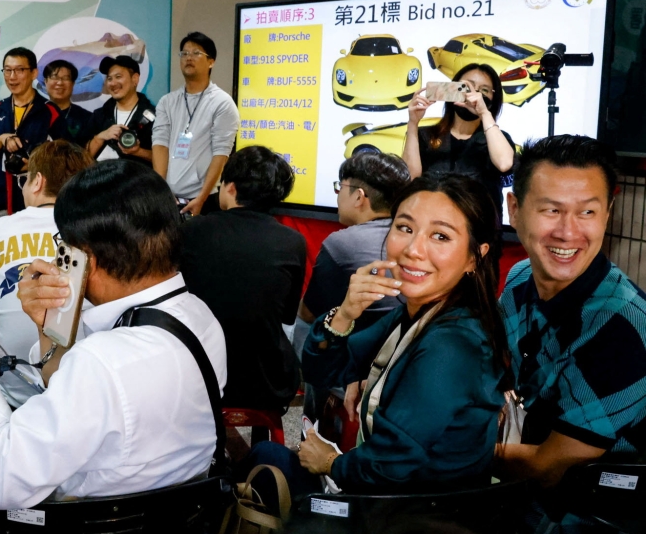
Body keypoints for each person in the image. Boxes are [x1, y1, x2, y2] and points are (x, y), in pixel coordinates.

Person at [0, 160, 227, 509]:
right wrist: (50, 326)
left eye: (63, 244)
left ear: (83, 258)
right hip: (175, 523)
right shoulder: (201, 316)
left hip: (85, 531)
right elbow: (76, 392)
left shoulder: (103, 362)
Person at [251, 174, 508, 495]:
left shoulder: (451, 344)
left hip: (415, 524)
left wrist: (330, 462)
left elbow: (389, 467)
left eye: (440, 236)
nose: (414, 249)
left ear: (475, 256)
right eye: (405, 228)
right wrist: (345, 313)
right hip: (396, 497)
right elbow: (321, 370)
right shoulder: (419, 311)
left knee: (265, 459)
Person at [497, 135, 646, 484]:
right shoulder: (520, 279)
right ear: (514, 210)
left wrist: (443, 447)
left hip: (594, 516)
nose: (568, 232)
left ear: (607, 215)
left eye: (587, 212)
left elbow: (548, 468)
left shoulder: (622, 329)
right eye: (552, 210)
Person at [180, 146, 304, 414]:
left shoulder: (192, 230)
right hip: (267, 383)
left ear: (231, 187)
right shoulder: (293, 242)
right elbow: (287, 317)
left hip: (199, 376)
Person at [0, 139, 94, 406]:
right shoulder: (92, 232)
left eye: (24, 180)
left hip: (12, 387)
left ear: (38, 181)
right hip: (80, 386)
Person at [295, 153, 411, 419]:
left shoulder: (342, 244)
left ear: (359, 197)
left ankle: (313, 425)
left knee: (308, 329)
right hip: (401, 363)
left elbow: (308, 315)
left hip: (361, 367)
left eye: (340, 187)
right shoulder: (413, 242)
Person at [402, 63, 516, 220]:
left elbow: (504, 163)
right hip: (432, 225)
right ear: (452, 90)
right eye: (466, 87)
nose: (473, 94)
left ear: (492, 99)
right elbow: (410, 180)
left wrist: (484, 113)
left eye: (484, 90)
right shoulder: (426, 135)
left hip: (480, 230)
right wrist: (413, 123)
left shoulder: (497, 139)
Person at [153, 32, 241, 216]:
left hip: (205, 199)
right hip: (170, 197)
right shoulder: (167, 102)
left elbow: (221, 154)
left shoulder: (222, 103)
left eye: (196, 53)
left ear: (211, 62)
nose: (188, 58)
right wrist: (161, 192)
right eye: (184, 54)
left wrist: (201, 198)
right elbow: (160, 145)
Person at [0, 47, 62, 236]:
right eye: (7, 70)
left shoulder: (49, 112)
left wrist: (32, 165)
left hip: (35, 205)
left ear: (33, 73)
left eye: (19, 70)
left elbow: (65, 158)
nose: (12, 76)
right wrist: (1, 139)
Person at [87, 55, 155, 166]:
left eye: (118, 77)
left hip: (139, 182)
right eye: (109, 78)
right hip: (101, 181)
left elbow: (165, 159)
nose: (113, 83)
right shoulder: (99, 116)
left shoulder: (155, 117)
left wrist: (138, 152)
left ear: (135, 79)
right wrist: (100, 137)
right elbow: (80, 160)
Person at [42, 58, 96, 147]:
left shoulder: (87, 118)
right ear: (45, 81)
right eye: (54, 77)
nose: (60, 83)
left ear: (73, 83)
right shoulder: (33, 113)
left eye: (66, 78)